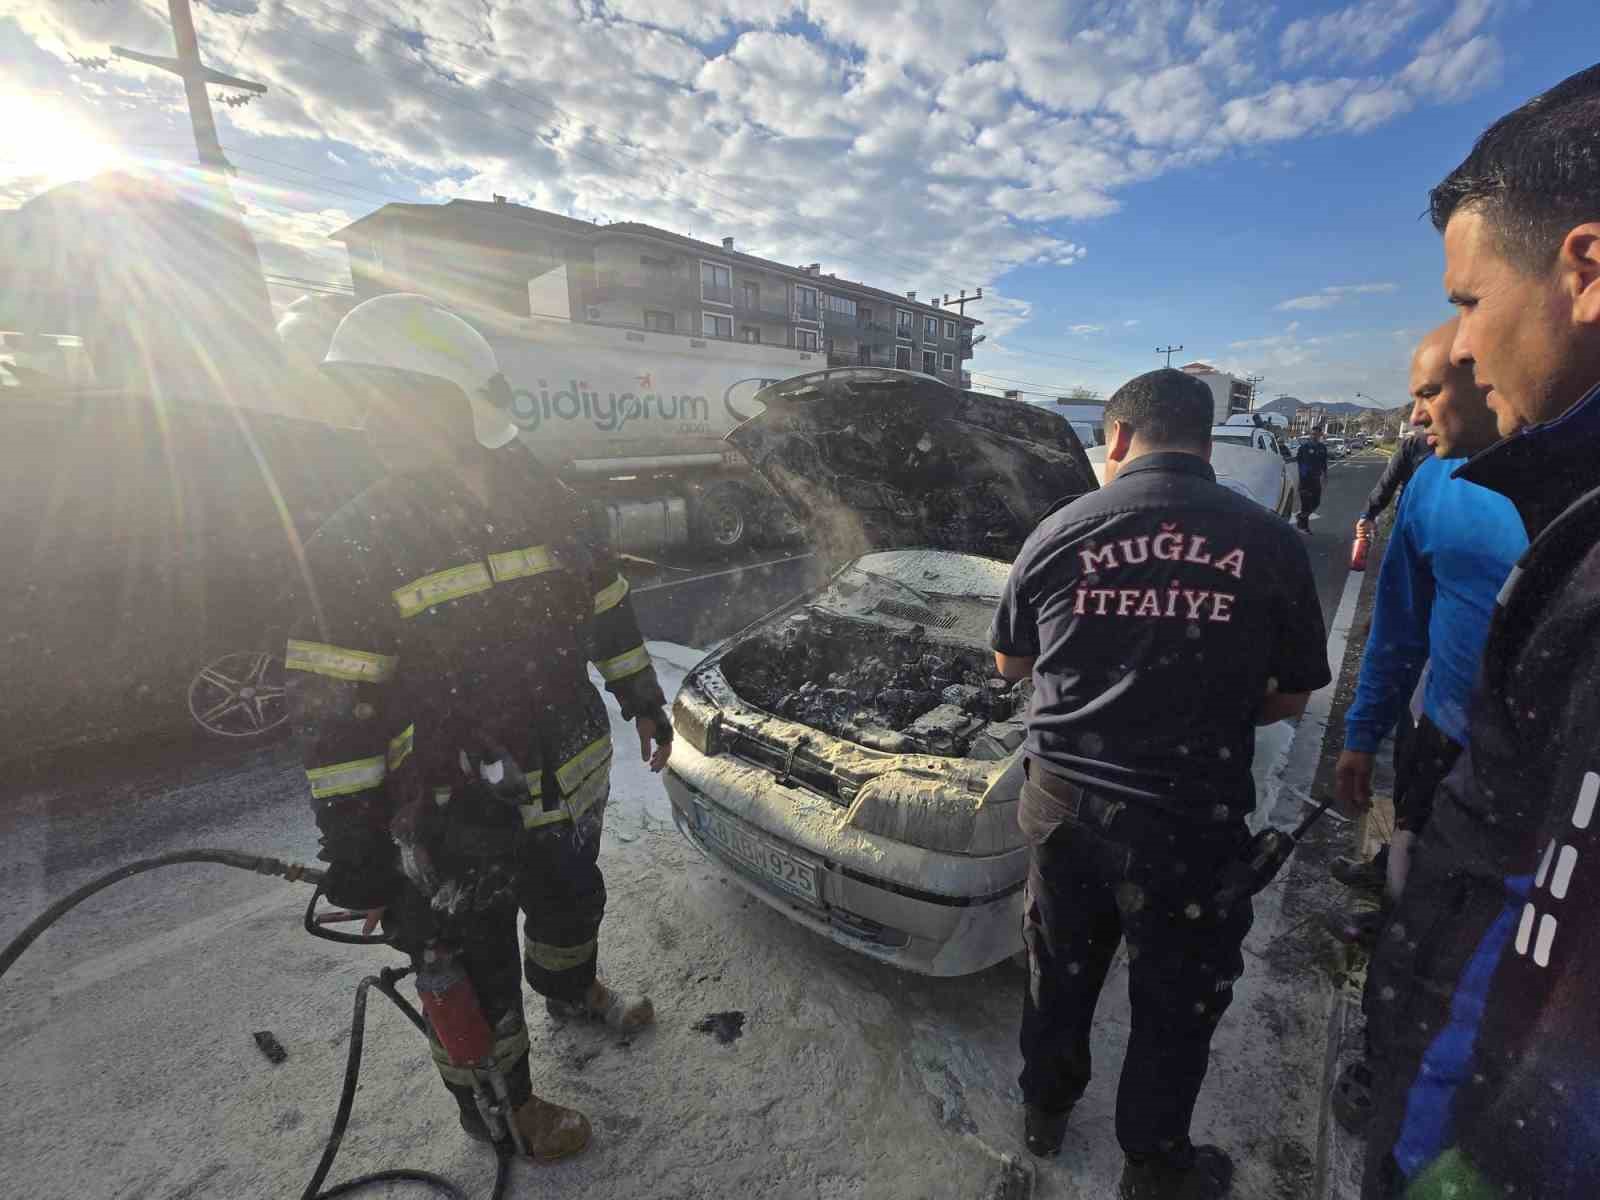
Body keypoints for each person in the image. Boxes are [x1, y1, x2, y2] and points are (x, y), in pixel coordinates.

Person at [285, 293, 672, 1162]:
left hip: (566, 768)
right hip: (452, 806)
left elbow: (607, 608)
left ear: (459, 403)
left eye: (392, 400)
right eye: (364, 400)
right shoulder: (355, 541)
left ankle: (571, 992)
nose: (372, 423)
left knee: (572, 901)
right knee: (468, 955)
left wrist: (642, 697)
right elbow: (333, 714)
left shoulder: (556, 505)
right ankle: (504, 1110)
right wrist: (353, 843)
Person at [991, 368, 1330, 1198]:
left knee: (1059, 965)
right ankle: (1151, 1163)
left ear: (1117, 437)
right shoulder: (1270, 541)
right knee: (1175, 997)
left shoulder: (1060, 528)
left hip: (1062, 804)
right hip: (1187, 819)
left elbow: (1011, 663)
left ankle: (1044, 1111)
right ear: (1204, 439)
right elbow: (1290, 695)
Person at [1360, 64, 1600, 1199]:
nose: (1458, 350)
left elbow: (1548, 932)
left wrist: (1474, 1161)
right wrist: (1365, 738)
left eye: (1467, 301)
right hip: (1444, 752)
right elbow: (1394, 630)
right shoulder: (1478, 490)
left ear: (1583, 270)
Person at [1327, 320, 1525, 1129]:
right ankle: (1386, 1052)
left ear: (1491, 374)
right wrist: (1361, 735)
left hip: (1548, 763)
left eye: (1429, 393)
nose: (1414, 415)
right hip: (1440, 736)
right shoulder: (1431, 486)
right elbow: (1398, 629)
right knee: (1415, 906)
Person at [1356, 433, 1434, 539]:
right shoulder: (1413, 445)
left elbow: (1388, 482)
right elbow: (1387, 482)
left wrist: (1368, 515)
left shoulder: (1414, 444)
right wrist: (1368, 514)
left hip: (1410, 520)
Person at [1295, 426, 1330, 532]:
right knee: (1305, 504)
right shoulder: (1304, 447)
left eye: (1316, 434)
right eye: (1312, 434)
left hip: (1316, 479)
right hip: (1305, 481)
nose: (1314, 436)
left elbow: (1324, 463)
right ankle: (1304, 527)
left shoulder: (1322, 447)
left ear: (1320, 435)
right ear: (1310, 435)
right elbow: (1299, 462)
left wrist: (1325, 475)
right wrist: (1303, 475)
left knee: (1316, 502)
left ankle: (1301, 517)